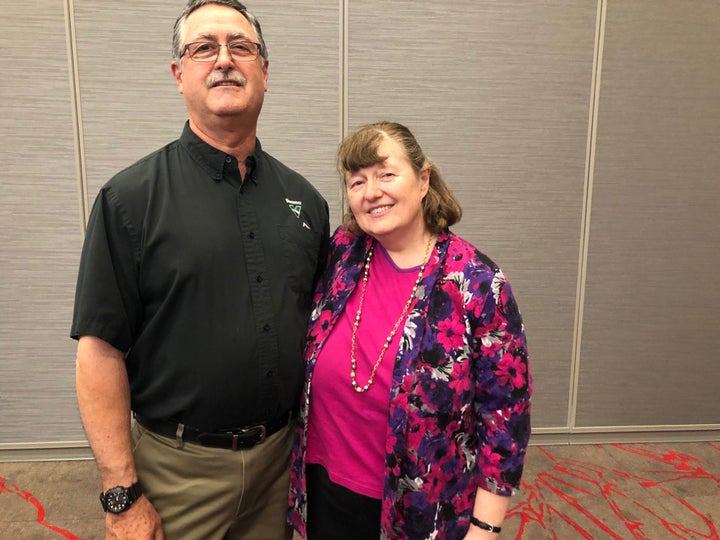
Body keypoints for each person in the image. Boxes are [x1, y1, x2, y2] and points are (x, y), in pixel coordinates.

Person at [71, 1, 329, 538]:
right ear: (178, 74)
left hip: (282, 465)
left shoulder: (305, 200)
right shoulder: (129, 200)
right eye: (204, 48)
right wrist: (121, 495)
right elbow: (99, 352)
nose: (224, 61)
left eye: (242, 47)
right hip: (176, 471)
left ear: (264, 71)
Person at [288, 122, 531, 539]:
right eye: (357, 181)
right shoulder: (342, 256)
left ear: (423, 180)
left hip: (422, 509)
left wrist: (485, 527)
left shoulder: (474, 281)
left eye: (386, 174)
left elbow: (506, 413)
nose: (371, 192)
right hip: (323, 491)